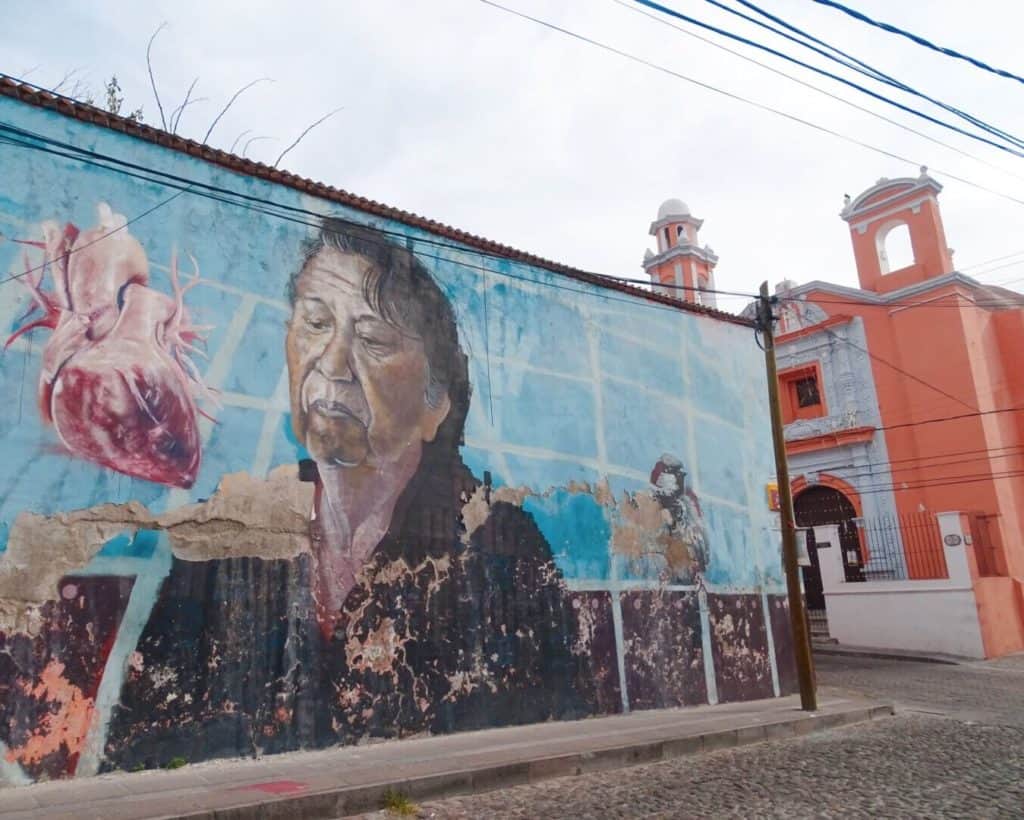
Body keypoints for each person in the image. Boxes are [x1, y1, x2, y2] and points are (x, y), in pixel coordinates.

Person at [102, 221, 604, 771]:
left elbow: (561, 733)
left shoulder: (499, 543)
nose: (332, 364)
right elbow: (132, 751)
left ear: (436, 403)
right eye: (315, 323)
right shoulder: (224, 537)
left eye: (373, 340)